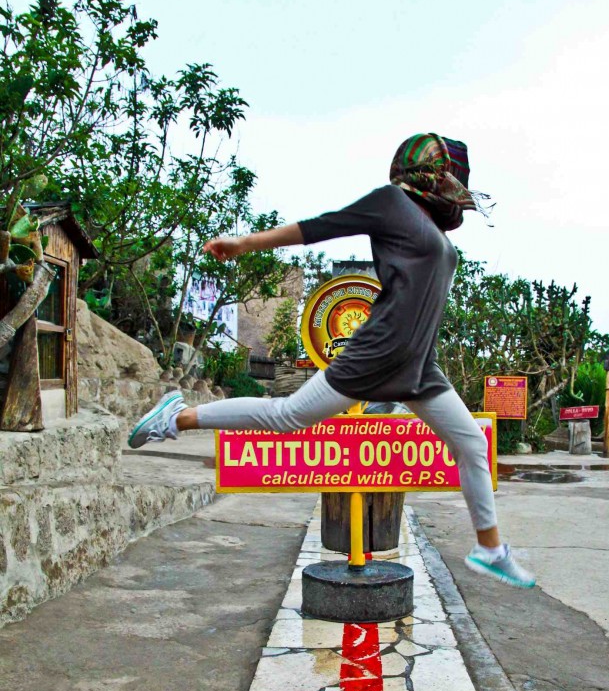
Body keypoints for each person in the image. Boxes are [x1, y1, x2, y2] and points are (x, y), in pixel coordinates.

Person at [129, 133, 534, 588]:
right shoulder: (391, 202)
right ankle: (176, 418)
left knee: (472, 445)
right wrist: (243, 244)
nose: (456, 183)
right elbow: (316, 228)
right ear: (432, 170)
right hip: (377, 353)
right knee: (288, 416)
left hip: (420, 367)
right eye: (449, 172)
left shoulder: (429, 224)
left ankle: (490, 548)